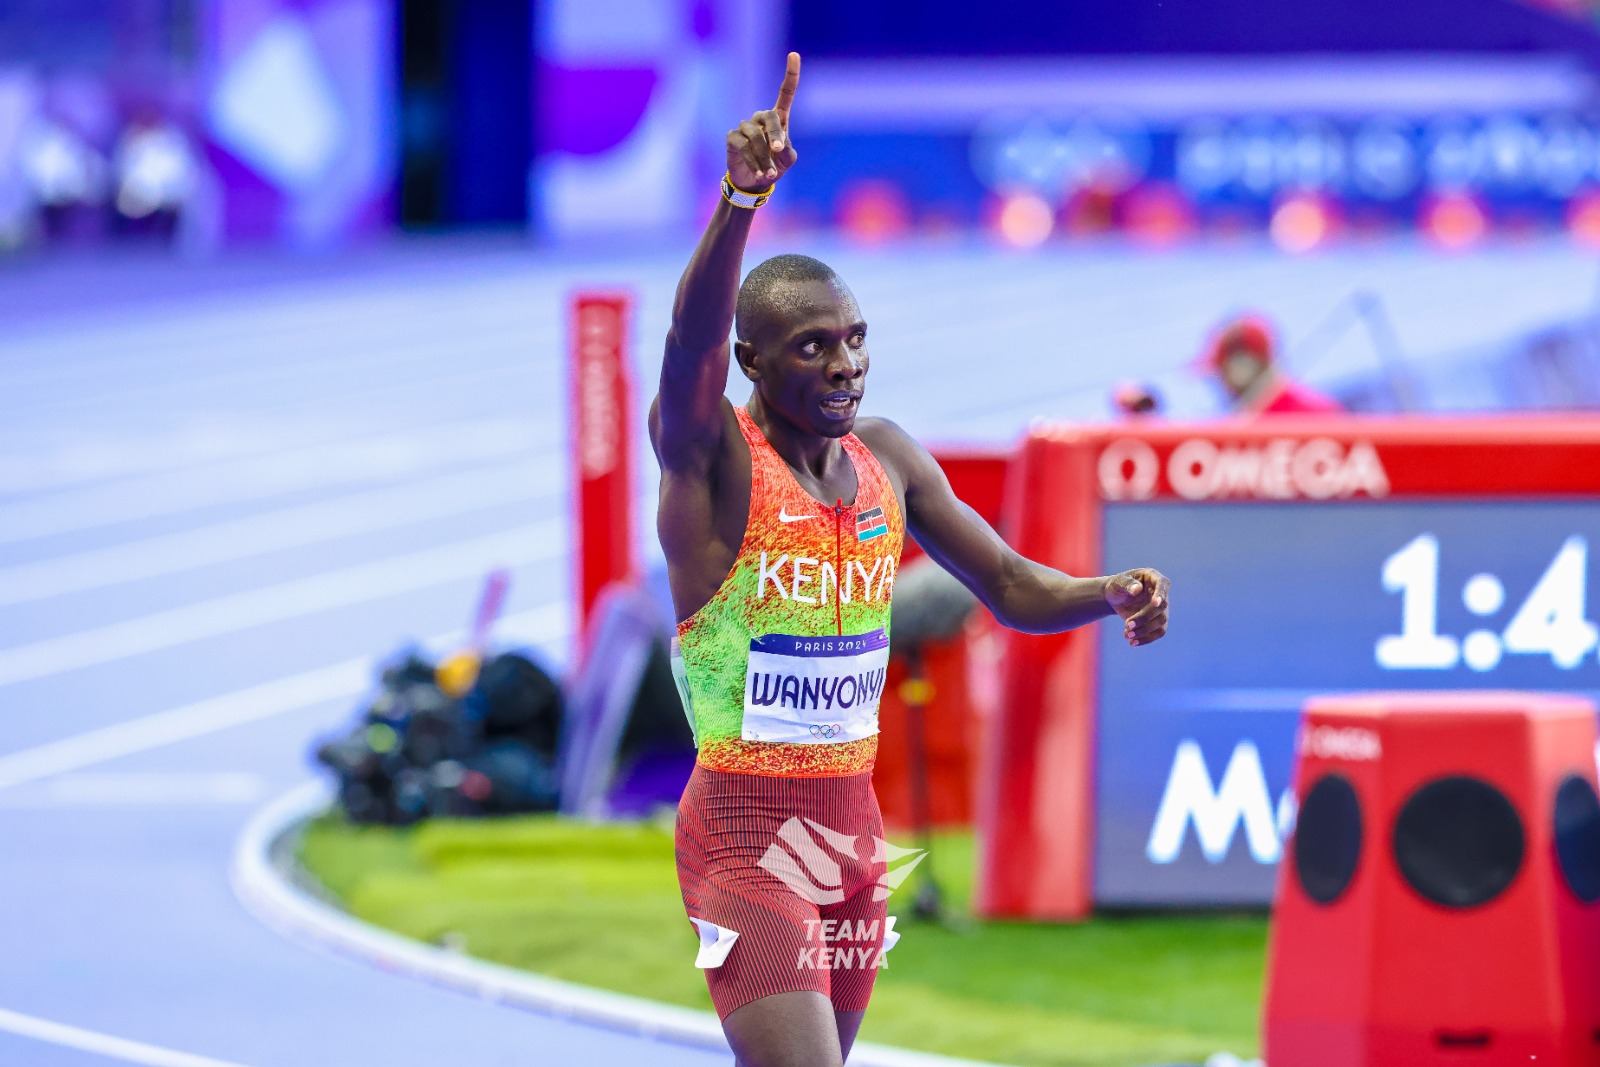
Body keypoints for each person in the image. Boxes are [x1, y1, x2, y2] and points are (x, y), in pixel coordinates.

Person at [651, 52, 1171, 1067]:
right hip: (743, 837)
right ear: (755, 363)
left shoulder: (888, 456)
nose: (843, 363)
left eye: (853, 339)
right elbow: (687, 342)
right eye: (811, 346)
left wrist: (1106, 592)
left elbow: (1013, 586)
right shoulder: (711, 460)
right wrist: (739, 199)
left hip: (852, 832)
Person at [1199, 314, 1344, 416]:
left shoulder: (1313, 416)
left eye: (1219, 371)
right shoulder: (1246, 417)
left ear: (1243, 368)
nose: (1218, 381)